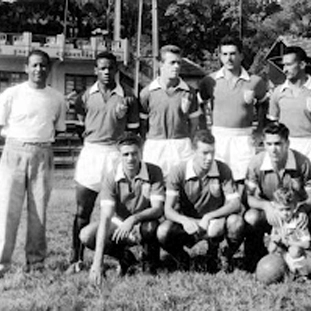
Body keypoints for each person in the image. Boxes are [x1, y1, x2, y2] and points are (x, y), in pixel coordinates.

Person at [0, 50, 67, 279]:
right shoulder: (12, 94)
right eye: (34, 65)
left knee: (38, 211)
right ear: (26, 67)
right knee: (6, 210)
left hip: (42, 153)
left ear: (49, 69)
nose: (38, 70)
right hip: (14, 151)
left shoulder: (56, 98)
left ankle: (36, 263)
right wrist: (13, 138)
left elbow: (59, 129)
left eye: (43, 66)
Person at [68, 52, 140, 273]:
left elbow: (134, 131)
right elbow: (81, 125)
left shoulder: (128, 96)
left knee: (118, 212)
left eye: (110, 68)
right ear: (95, 70)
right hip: (92, 152)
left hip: (116, 154)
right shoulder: (84, 97)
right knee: (83, 210)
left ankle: (122, 256)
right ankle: (76, 259)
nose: (107, 72)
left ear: (116, 69)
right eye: (102, 68)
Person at [157, 130, 245, 272]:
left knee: (236, 222)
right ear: (193, 151)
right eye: (204, 153)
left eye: (212, 152)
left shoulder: (222, 169)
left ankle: (222, 255)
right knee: (163, 231)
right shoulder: (178, 171)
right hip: (188, 223)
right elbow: (168, 210)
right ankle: (182, 258)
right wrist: (184, 221)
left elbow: (235, 204)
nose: (209, 158)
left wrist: (210, 216)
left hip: (214, 222)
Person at [83, 134, 165, 285]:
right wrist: (97, 262)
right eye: (125, 154)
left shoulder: (154, 171)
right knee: (87, 235)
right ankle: (126, 257)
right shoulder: (111, 176)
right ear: (119, 155)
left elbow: (158, 209)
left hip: (144, 222)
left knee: (151, 226)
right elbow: (106, 217)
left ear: (141, 153)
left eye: (134, 153)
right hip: (119, 223)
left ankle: (149, 265)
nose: (130, 158)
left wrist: (133, 219)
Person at [244, 122, 311, 271]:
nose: (273, 149)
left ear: (287, 143)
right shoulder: (256, 163)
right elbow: (249, 198)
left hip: (295, 212)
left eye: (278, 143)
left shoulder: (302, 162)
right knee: (251, 217)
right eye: (269, 144)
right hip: (271, 212)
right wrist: (267, 207)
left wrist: (302, 209)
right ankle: (255, 258)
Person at [198, 36, 268, 189]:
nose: (228, 58)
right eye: (224, 54)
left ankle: (242, 210)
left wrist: (260, 130)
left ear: (241, 55)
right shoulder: (209, 81)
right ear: (220, 56)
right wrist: (204, 130)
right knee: (217, 179)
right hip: (218, 137)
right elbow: (199, 105)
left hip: (243, 137)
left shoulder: (255, 81)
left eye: (232, 54)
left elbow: (264, 104)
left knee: (244, 179)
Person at [268, 46, 311, 184]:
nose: (284, 69)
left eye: (289, 64)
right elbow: (272, 123)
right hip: (287, 144)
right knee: (289, 185)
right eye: (284, 65)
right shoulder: (278, 92)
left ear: (302, 64)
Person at [139, 45, 204, 177]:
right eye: (172, 62)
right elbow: (142, 124)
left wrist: (187, 141)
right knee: (154, 186)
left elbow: (194, 123)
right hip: (155, 146)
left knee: (182, 186)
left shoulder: (189, 92)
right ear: (160, 64)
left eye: (179, 63)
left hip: (181, 146)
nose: (176, 67)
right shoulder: (146, 93)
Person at [267, 187, 311, 278]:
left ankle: (303, 274)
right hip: (288, 254)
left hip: (306, 256)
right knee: (273, 248)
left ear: (294, 207)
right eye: (281, 210)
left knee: (294, 250)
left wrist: (288, 242)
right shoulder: (277, 221)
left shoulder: (298, 220)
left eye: (288, 209)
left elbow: (306, 244)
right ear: (275, 208)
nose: (285, 213)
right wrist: (275, 240)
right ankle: (282, 272)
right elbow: (272, 242)